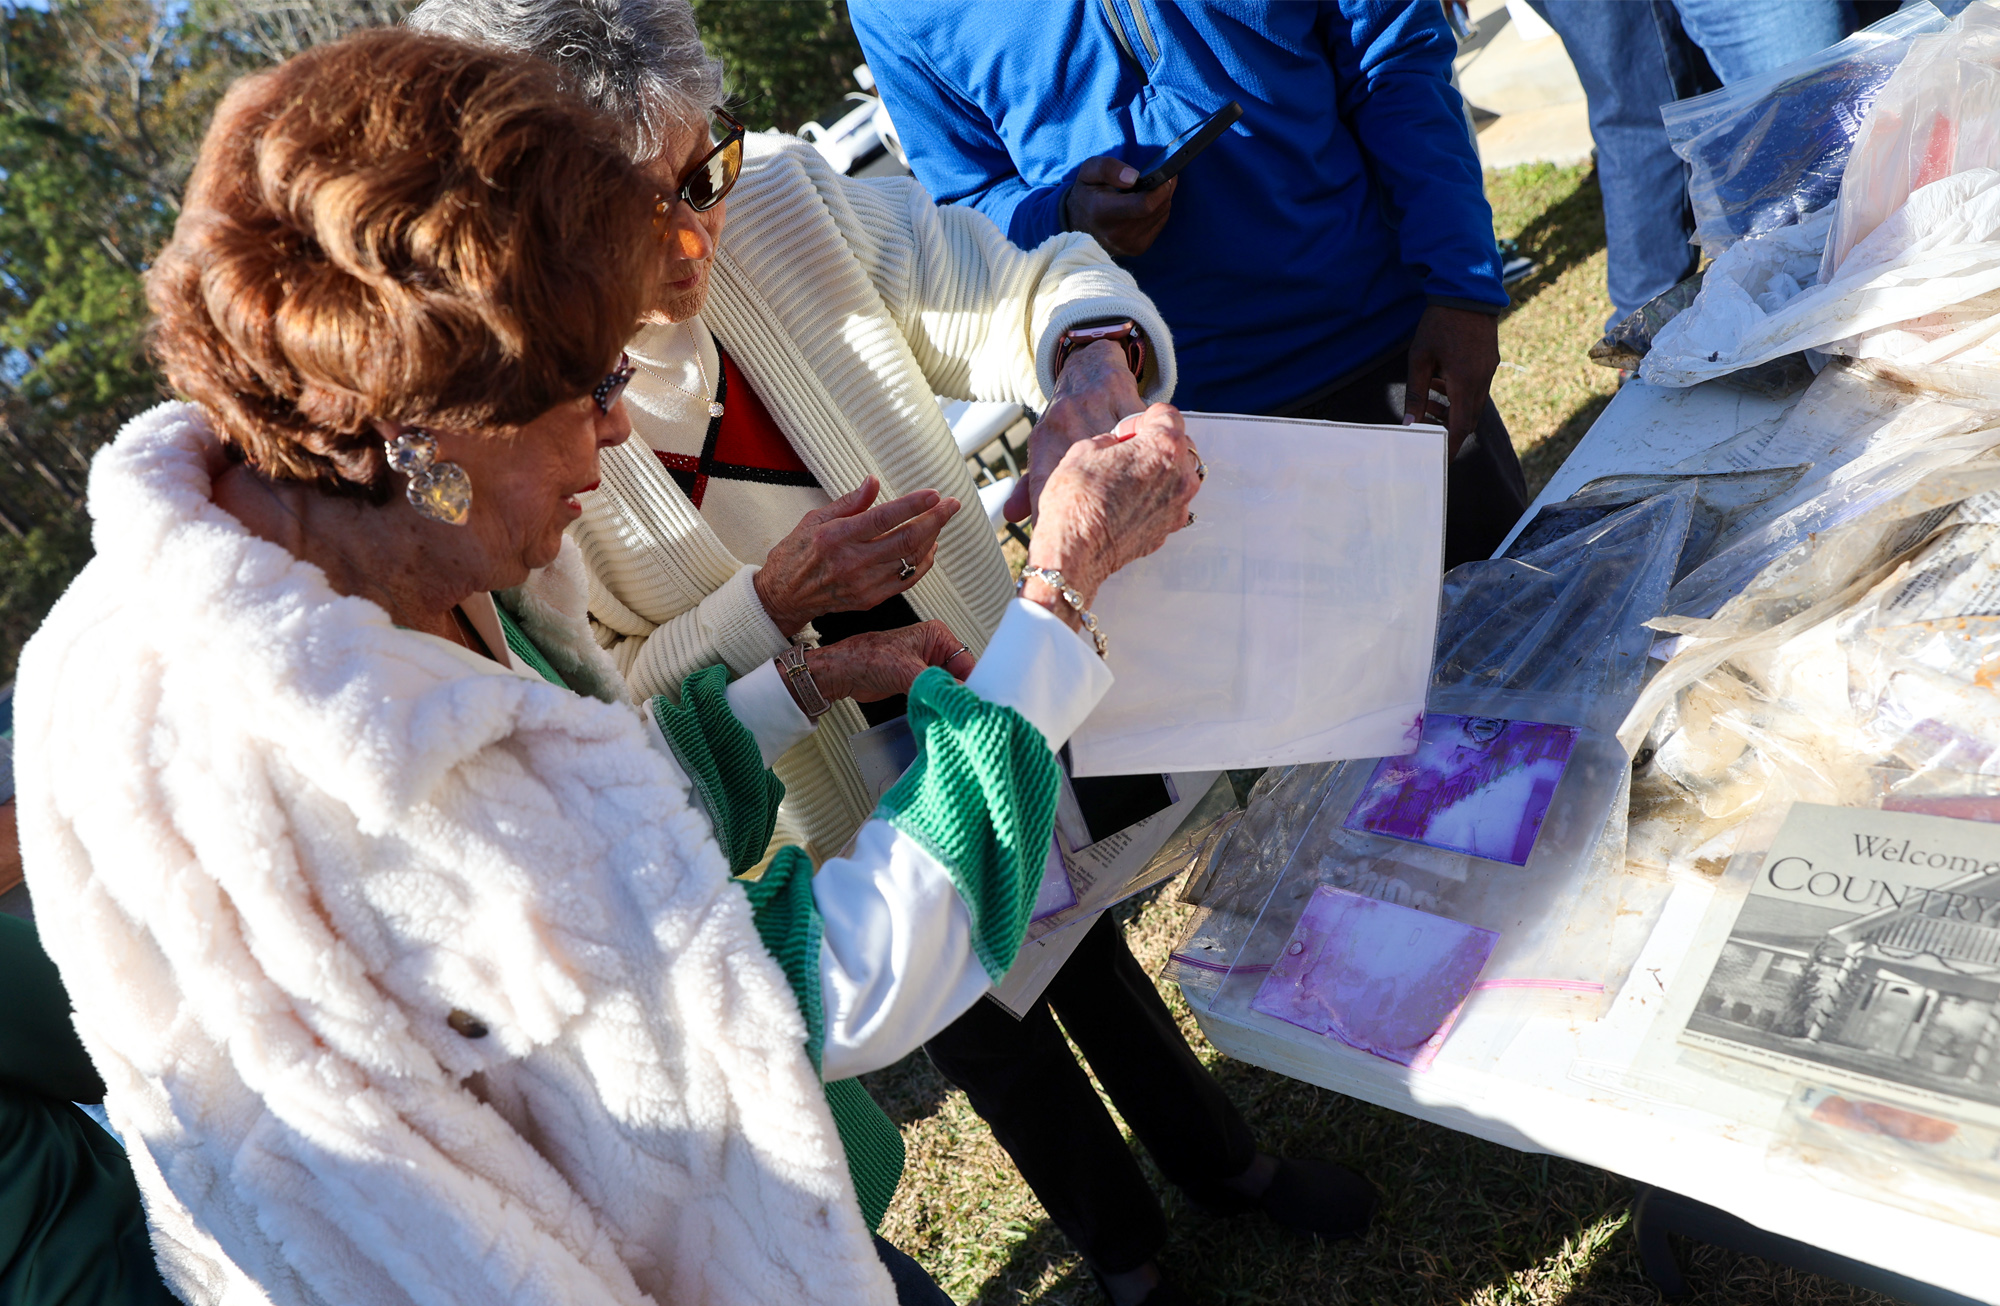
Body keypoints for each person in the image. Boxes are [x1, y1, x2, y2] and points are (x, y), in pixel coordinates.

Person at [14, 28, 1198, 1306]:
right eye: (588, 383)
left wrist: (795, 686)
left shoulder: (375, 555)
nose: (619, 423)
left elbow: (620, 826)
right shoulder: (325, 763)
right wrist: (1054, 596)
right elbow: (802, 989)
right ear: (429, 431)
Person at [409, 0, 1175, 871]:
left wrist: (1090, 366)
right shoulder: (502, 431)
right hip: (836, 877)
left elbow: (1022, 287)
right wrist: (769, 608)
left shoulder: (782, 198)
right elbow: (606, 716)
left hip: (1023, 734)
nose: (693, 243)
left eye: (703, 176)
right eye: (628, 219)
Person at [851, 0, 1529, 571]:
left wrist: (1462, 286)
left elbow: (1391, 52)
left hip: (1390, 357)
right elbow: (967, 208)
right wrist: (1065, 217)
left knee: (1513, 649)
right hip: (1174, 436)